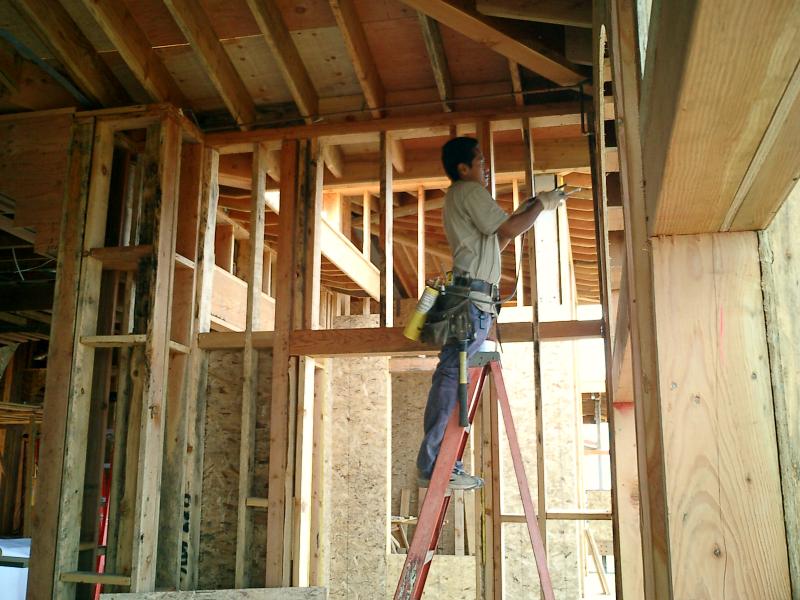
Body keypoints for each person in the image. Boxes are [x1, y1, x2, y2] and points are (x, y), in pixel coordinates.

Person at [416, 136, 564, 490]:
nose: (485, 167)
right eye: (480, 161)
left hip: (475, 300)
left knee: (453, 376)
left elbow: (500, 239)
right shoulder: (468, 191)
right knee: (451, 376)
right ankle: (435, 465)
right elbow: (509, 228)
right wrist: (542, 205)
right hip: (473, 302)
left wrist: (528, 210)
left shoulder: (460, 197)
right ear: (463, 168)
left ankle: (441, 463)